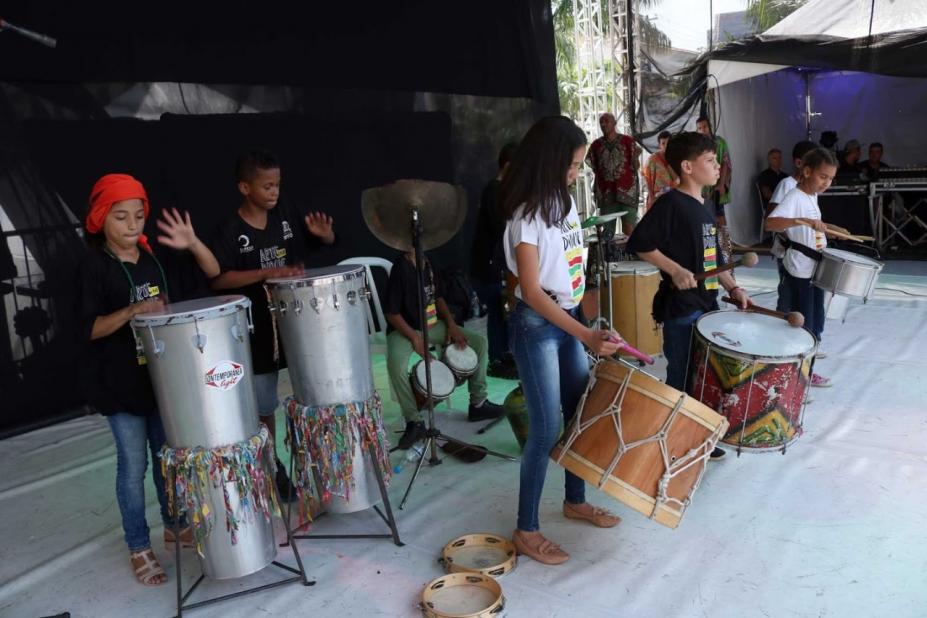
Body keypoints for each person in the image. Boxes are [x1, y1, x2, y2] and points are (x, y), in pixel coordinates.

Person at [78, 173, 220, 585]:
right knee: (132, 467)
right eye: (121, 216)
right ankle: (139, 546)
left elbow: (211, 272)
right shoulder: (93, 266)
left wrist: (192, 243)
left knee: (167, 462)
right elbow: (87, 329)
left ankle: (176, 524)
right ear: (101, 218)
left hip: (160, 382)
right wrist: (130, 312)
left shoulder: (153, 259)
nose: (132, 224)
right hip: (117, 386)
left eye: (138, 215)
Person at [503, 116, 623, 566]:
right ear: (550, 161)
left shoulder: (566, 205)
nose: (577, 174)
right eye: (573, 165)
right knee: (546, 430)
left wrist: (591, 322)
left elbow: (570, 277)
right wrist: (586, 335)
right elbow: (532, 291)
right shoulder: (524, 217)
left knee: (579, 413)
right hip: (536, 326)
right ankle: (526, 529)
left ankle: (575, 500)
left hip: (568, 319)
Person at [209, 149, 336, 499]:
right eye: (267, 186)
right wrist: (268, 272)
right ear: (244, 188)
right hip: (258, 333)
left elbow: (306, 253)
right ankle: (271, 467)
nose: (274, 192)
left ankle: (320, 461)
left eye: (277, 184)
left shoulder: (285, 216)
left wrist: (323, 237)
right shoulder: (230, 230)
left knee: (312, 393)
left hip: (296, 324)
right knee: (265, 406)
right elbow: (219, 279)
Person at [627, 132, 751, 460]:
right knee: (681, 374)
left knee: (702, 375)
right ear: (687, 167)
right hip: (681, 308)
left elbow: (714, 260)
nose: (717, 166)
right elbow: (639, 243)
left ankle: (693, 436)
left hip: (706, 305)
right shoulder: (670, 204)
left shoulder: (705, 206)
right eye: (710, 161)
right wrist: (674, 269)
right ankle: (671, 442)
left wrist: (733, 287)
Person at [385, 249, 504, 449]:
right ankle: (414, 421)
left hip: (431, 324)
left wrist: (451, 324)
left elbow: (438, 297)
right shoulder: (401, 268)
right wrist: (414, 338)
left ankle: (478, 403)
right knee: (395, 365)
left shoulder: (428, 262)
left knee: (479, 343)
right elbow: (391, 313)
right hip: (404, 329)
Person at [765, 148, 839, 388]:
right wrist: (803, 221)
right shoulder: (795, 196)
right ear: (806, 171)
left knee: (815, 323)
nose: (826, 183)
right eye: (822, 177)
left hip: (813, 270)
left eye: (830, 179)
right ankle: (795, 379)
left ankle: (805, 374)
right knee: (802, 326)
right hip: (799, 271)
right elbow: (771, 223)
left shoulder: (811, 196)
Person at [470, 142, 519, 379]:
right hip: (488, 265)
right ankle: (497, 359)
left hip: (497, 263)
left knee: (503, 312)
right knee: (498, 312)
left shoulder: (503, 191)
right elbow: (502, 228)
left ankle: (505, 355)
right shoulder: (494, 191)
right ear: (508, 165)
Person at [769, 140, 817, 314]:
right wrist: (790, 237)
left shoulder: (812, 189)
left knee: (802, 299)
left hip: (804, 254)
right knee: (787, 299)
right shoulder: (787, 185)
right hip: (788, 252)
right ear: (799, 163)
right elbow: (772, 217)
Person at [586, 112, 642, 236]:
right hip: (607, 194)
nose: (603, 124)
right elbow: (594, 167)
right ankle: (609, 256)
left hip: (628, 193)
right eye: (601, 122)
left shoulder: (628, 141)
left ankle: (630, 255)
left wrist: (634, 158)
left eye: (606, 121)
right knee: (607, 233)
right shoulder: (596, 145)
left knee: (629, 230)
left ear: (615, 123)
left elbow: (636, 166)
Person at [695, 116, 734, 268]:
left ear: (710, 127)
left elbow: (725, 164)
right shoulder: (697, 145)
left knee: (720, 220)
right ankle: (710, 261)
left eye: (704, 127)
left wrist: (722, 183)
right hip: (702, 190)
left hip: (717, 187)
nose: (702, 130)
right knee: (706, 222)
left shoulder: (719, 142)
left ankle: (726, 256)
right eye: (699, 128)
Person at [642, 130, 678, 211]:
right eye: (663, 143)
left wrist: (668, 163)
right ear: (659, 145)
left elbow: (677, 179)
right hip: (657, 197)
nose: (666, 146)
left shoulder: (676, 158)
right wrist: (651, 197)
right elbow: (647, 178)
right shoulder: (653, 159)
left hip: (674, 197)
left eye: (668, 143)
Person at [757, 148, 789, 213]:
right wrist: (781, 201)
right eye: (775, 158)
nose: (778, 160)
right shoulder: (764, 175)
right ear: (769, 160)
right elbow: (767, 194)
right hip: (773, 206)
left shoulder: (785, 176)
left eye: (779, 158)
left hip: (786, 204)